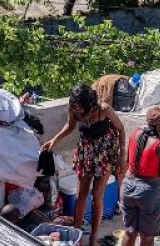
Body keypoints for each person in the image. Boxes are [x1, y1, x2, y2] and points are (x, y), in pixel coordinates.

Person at [40, 84, 125, 246]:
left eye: (79, 107)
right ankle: (77, 232)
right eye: (74, 107)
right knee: (80, 195)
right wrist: (54, 140)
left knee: (97, 198)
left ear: (88, 103)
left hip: (105, 153)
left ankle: (93, 237)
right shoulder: (73, 108)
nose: (76, 110)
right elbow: (70, 126)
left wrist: (121, 156)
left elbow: (120, 129)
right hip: (86, 151)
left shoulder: (104, 109)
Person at [121, 106, 160, 246]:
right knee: (147, 237)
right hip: (148, 193)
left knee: (129, 232)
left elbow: (128, 160)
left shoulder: (135, 133)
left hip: (127, 187)